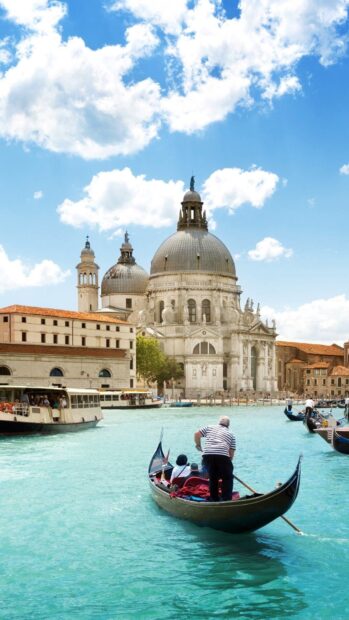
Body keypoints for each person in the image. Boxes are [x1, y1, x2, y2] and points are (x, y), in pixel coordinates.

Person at [194, 415, 236, 502]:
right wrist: (226, 469)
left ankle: (214, 499)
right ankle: (226, 499)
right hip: (222, 456)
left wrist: (198, 445)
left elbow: (196, 434)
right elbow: (231, 454)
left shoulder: (209, 427)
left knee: (213, 478)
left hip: (207, 455)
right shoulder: (231, 434)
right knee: (227, 478)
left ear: (219, 422)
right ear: (228, 425)